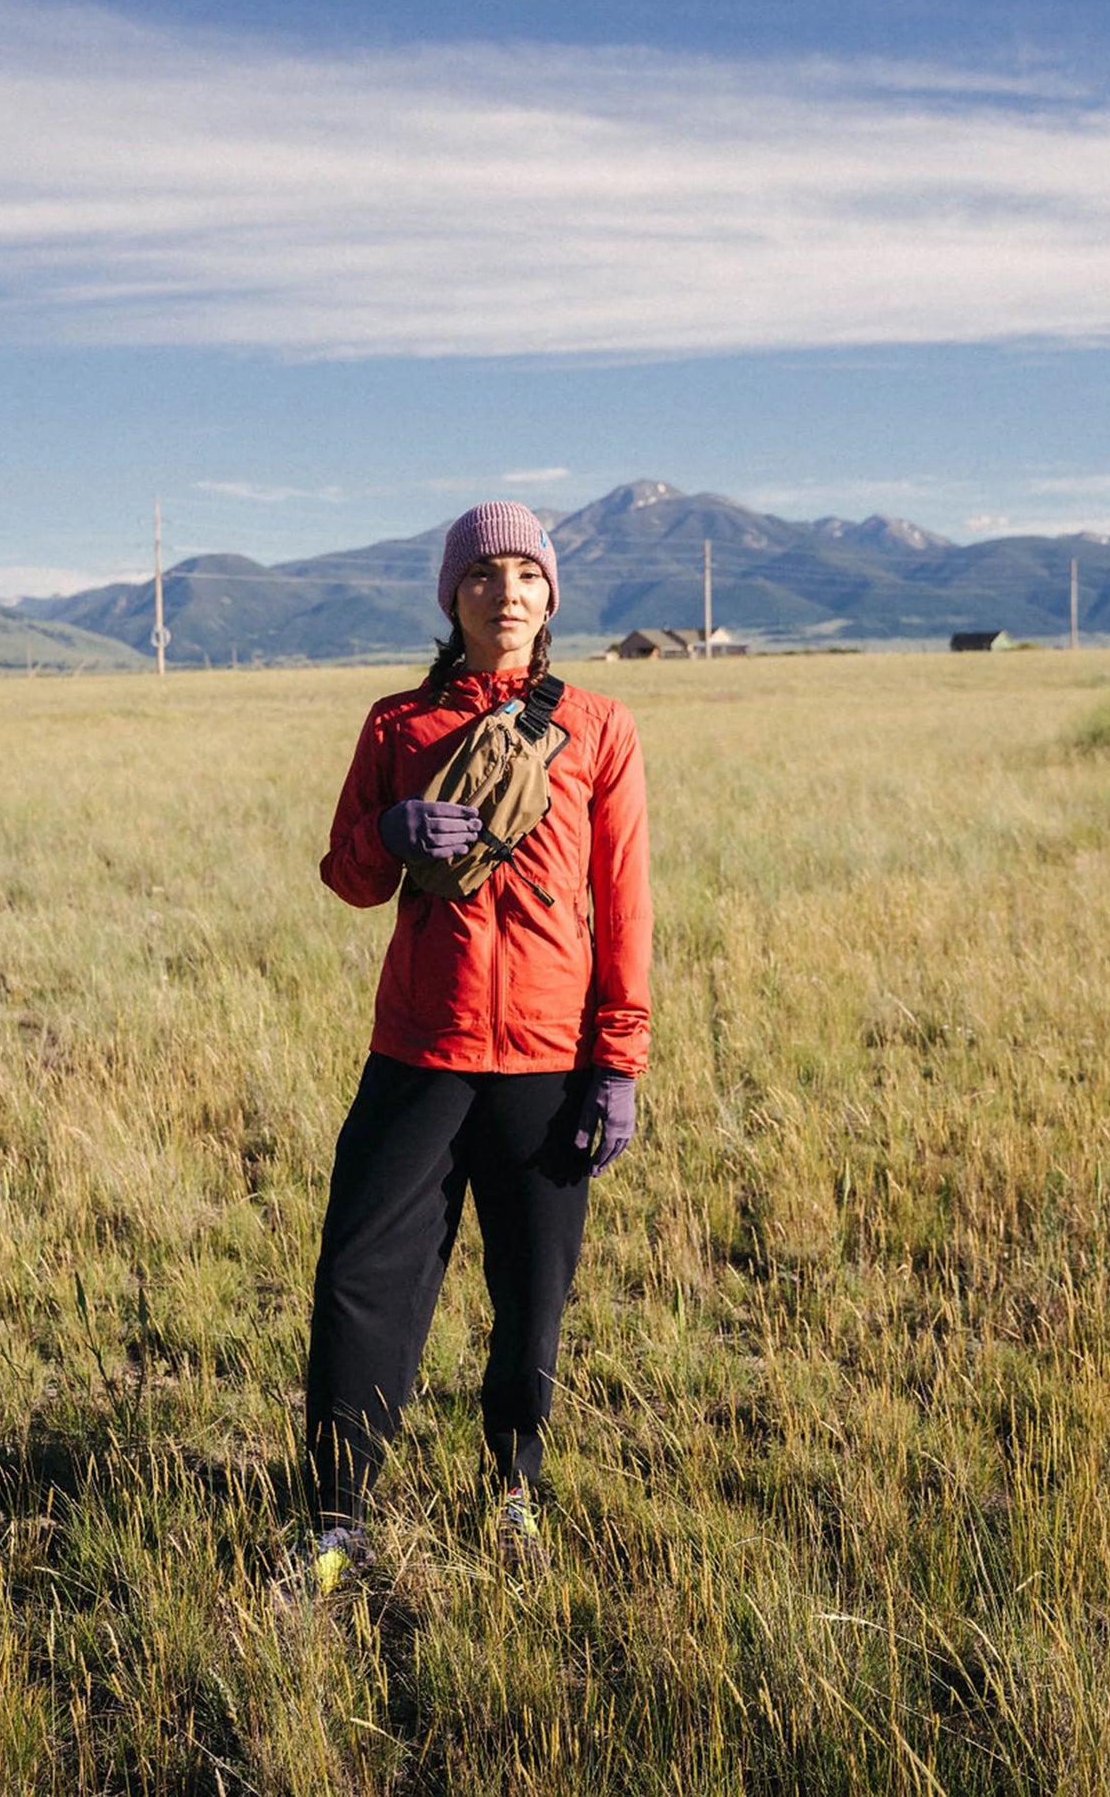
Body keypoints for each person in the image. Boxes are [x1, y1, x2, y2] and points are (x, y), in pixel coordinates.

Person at [291, 499, 651, 1595]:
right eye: (483, 574)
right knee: (361, 1274)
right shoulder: (397, 723)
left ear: (551, 597)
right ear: (451, 597)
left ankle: (512, 1488)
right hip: (419, 1051)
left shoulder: (596, 726)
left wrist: (618, 1060)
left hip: (545, 1059)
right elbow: (347, 877)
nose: (506, 592)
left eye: (526, 574)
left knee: (530, 1288)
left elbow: (623, 900)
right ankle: (336, 1517)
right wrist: (387, 833)